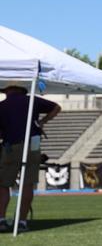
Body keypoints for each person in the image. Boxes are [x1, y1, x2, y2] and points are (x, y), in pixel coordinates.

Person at [0, 85, 60, 232]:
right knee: (27, 184)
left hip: (10, 146)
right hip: (32, 146)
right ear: (22, 90)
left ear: (7, 91)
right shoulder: (32, 101)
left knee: (3, 184)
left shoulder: (2, 105)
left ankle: (1, 219)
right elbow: (57, 107)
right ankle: (21, 221)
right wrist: (42, 121)